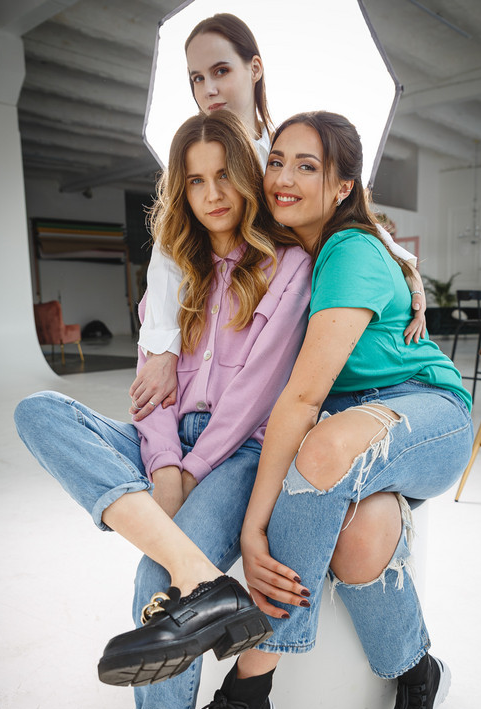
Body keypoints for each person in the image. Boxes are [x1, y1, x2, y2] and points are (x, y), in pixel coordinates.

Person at [119, 111, 473, 709]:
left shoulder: (348, 249)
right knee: (362, 541)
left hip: (423, 411)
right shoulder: (287, 253)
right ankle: (417, 671)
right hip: (348, 434)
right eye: (277, 160)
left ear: (342, 187)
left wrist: (253, 530)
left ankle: (250, 692)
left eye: (307, 166)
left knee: (317, 448)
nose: (283, 177)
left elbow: (303, 398)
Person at [14, 109, 312, 709]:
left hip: (237, 453)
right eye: (195, 180)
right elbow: (152, 386)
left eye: (224, 176)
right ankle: (201, 576)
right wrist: (165, 464)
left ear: (246, 177)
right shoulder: (177, 262)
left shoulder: (286, 266)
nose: (211, 194)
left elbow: (252, 401)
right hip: (169, 447)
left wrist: (191, 468)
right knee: (39, 412)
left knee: (154, 584)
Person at [132, 12, 426, 421]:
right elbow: (168, 255)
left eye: (220, 71)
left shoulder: (280, 153)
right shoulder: (194, 151)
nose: (208, 89)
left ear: (255, 68)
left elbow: (348, 209)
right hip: (220, 317)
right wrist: (163, 351)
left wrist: (407, 267)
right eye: (196, 78)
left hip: (283, 314)